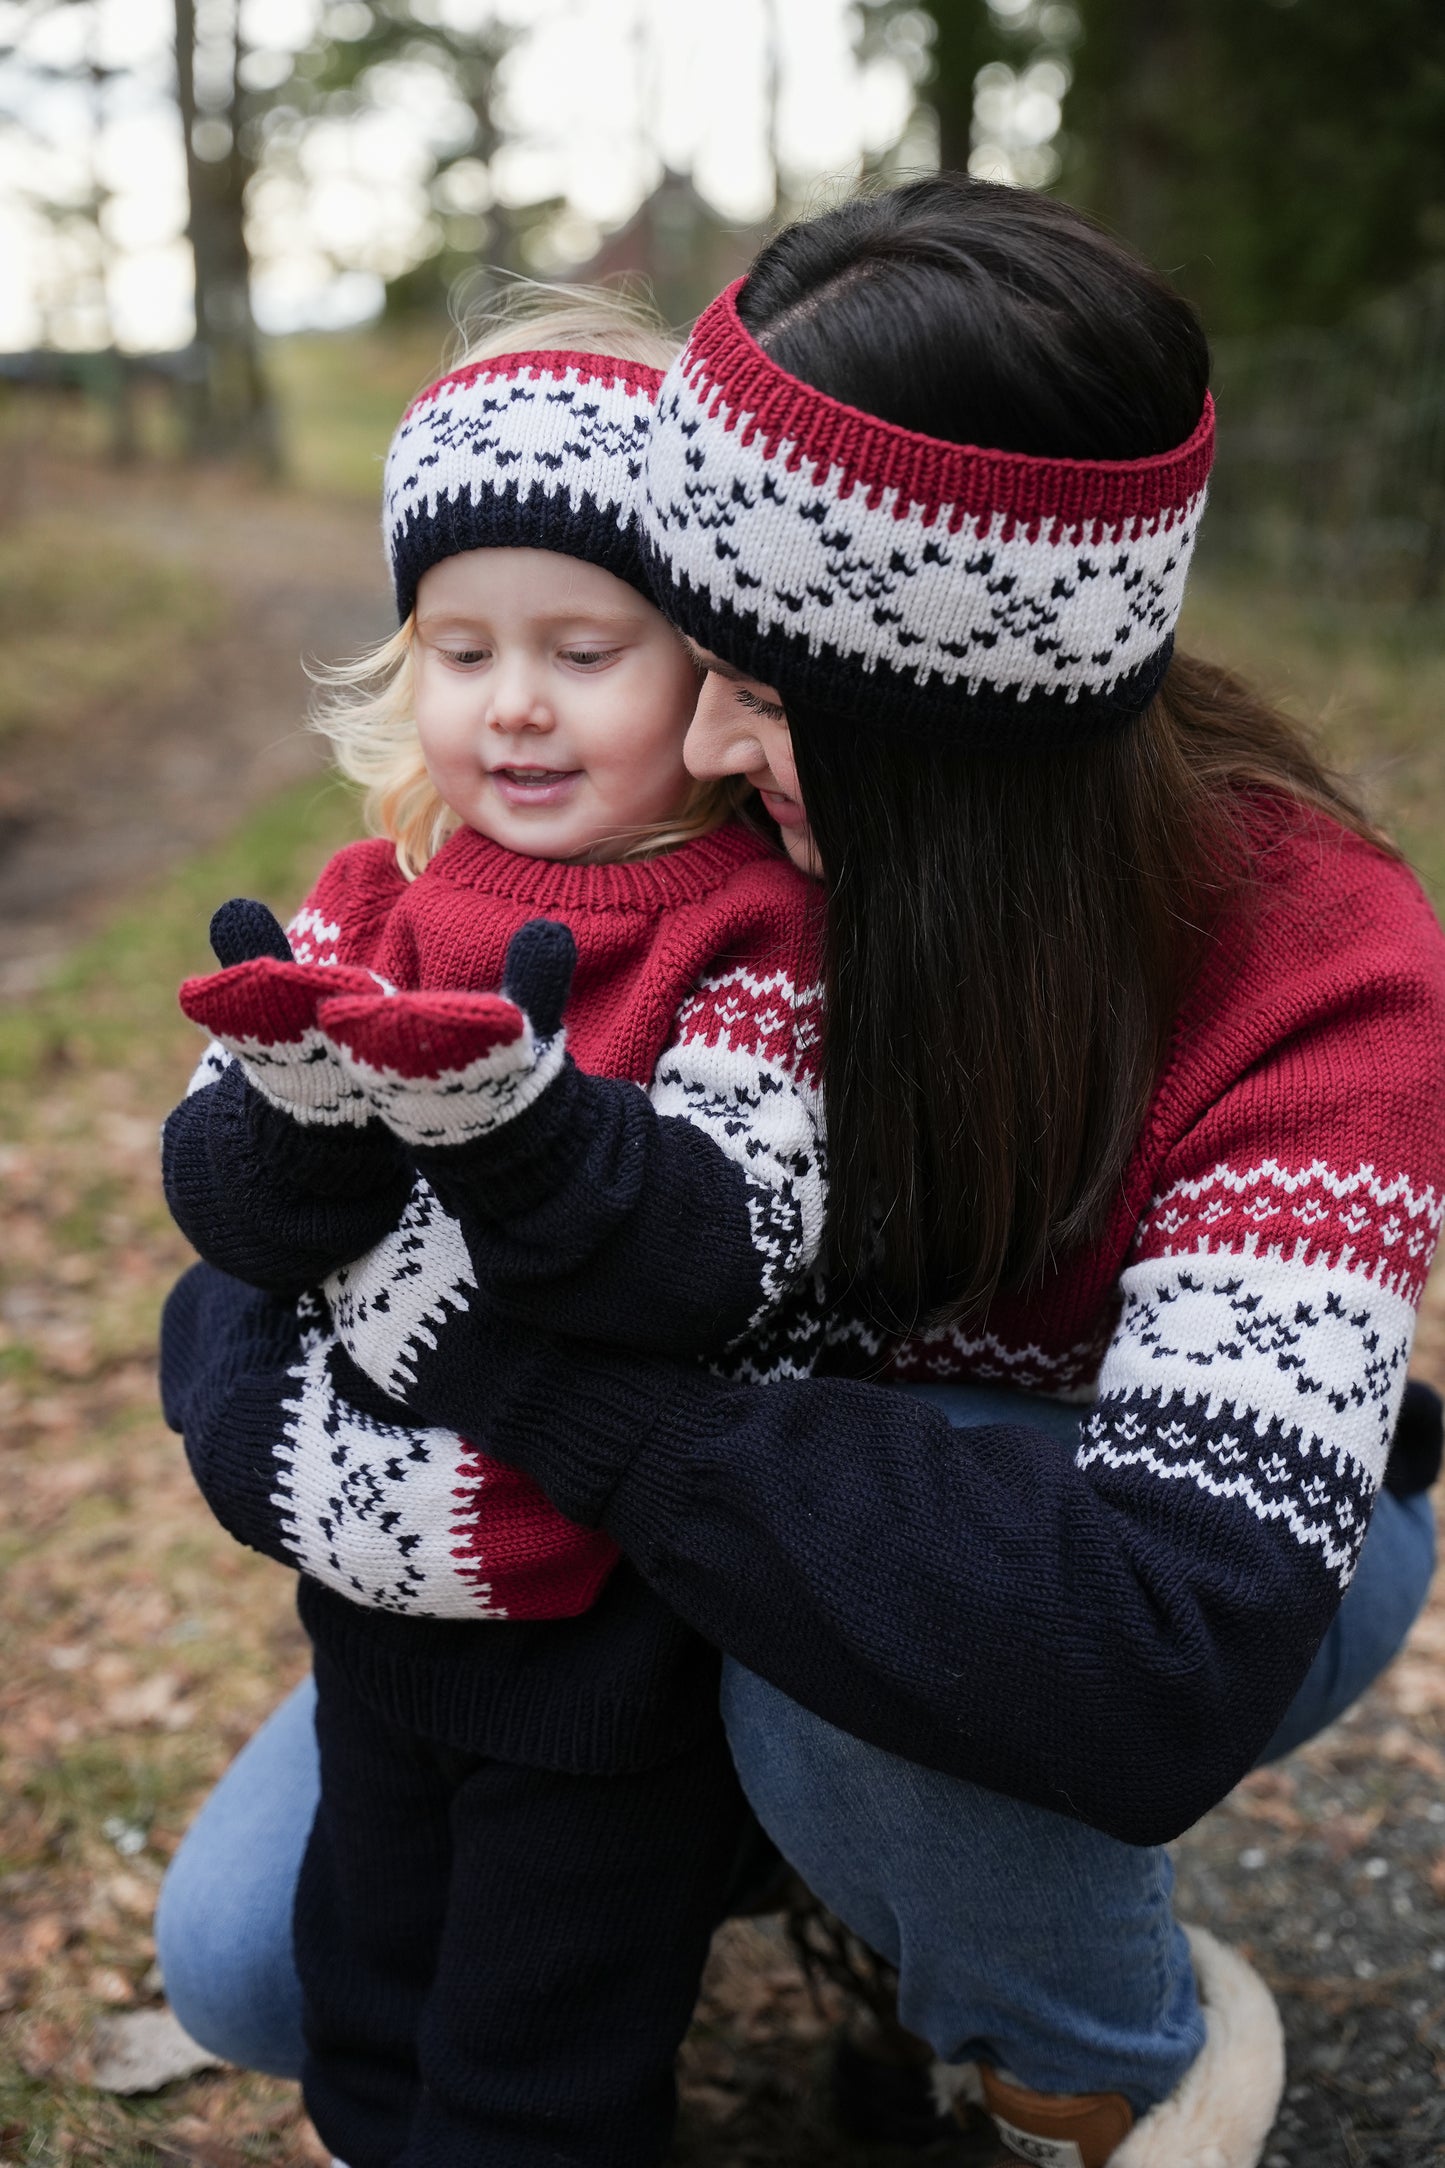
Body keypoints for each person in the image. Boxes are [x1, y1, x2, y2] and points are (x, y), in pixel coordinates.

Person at [157, 180, 1445, 2168]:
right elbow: (284, 1233)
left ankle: (1085, 2054)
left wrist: (510, 1369)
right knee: (256, 1962)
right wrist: (271, 1325)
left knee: (840, 1682)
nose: (693, 735)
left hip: (1118, 1550)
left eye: (753, 681)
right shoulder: (720, 851)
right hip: (688, 1540)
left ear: (946, 712)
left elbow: (1163, 1638)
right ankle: (814, 1870)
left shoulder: (1313, 966)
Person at [161, 295, 834, 2168]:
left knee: (539, 2037)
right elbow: (227, 1209)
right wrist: (296, 1113)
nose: (512, 703)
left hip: (610, 1642)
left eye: (582, 651)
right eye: (460, 650)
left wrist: (518, 1129)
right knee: (366, 1983)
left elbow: (719, 1246)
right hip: (371, 1601)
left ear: (708, 672)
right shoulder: (367, 898)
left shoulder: (750, 941)